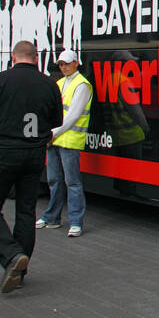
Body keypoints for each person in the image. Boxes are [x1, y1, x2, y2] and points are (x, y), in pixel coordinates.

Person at [0, 39, 61, 294]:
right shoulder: (49, 84)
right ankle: (20, 270)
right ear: (36, 58)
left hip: (3, 152)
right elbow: (55, 120)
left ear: (13, 57)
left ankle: (11, 256)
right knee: (25, 210)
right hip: (34, 154)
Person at [37, 49, 92, 237]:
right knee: (54, 180)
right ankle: (52, 217)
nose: (64, 67)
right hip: (55, 138)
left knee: (72, 182)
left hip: (68, 140)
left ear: (77, 63)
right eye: (61, 64)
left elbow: (74, 116)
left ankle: (76, 222)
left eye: (67, 63)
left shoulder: (82, 85)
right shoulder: (59, 83)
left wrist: (52, 133)